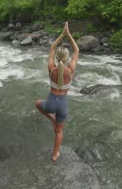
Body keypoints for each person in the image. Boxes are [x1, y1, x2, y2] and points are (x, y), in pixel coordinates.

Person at [35, 22, 79, 161]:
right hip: (63, 105)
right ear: (67, 58)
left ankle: (51, 119)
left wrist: (62, 34)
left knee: (37, 103)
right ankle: (55, 154)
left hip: (51, 104)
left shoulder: (51, 67)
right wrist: (69, 34)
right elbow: (76, 50)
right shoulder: (70, 69)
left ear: (56, 58)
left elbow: (52, 47)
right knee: (59, 131)